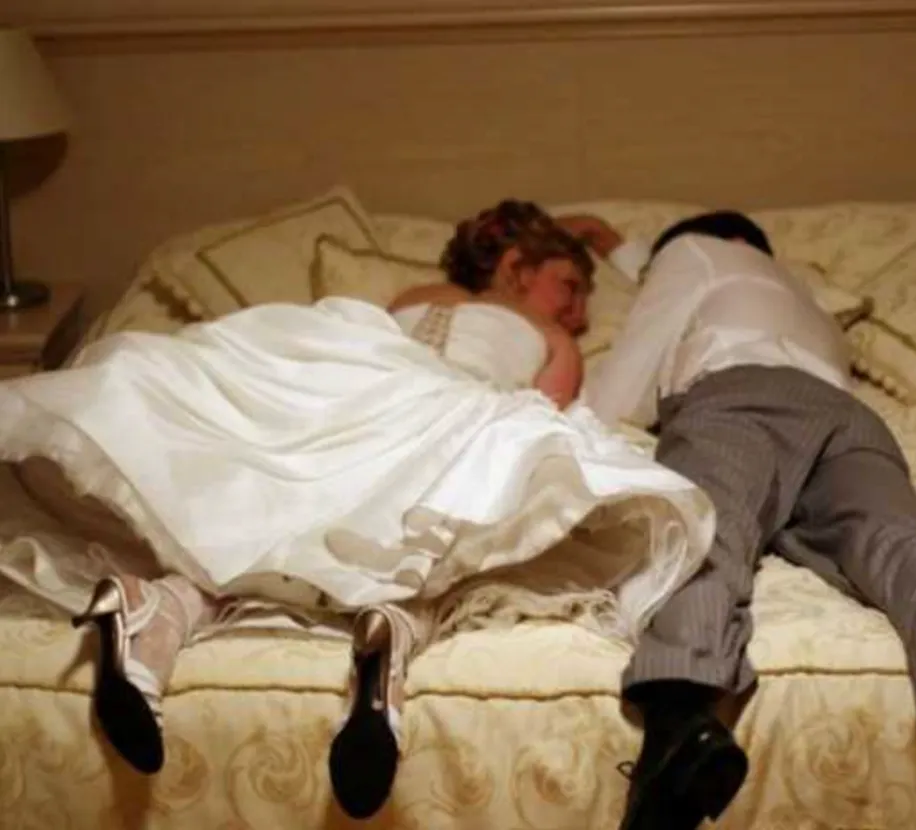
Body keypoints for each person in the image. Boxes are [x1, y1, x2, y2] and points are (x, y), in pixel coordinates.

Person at [0, 200, 714, 822]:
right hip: (430, 403)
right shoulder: (548, 336)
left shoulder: (414, 295)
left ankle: (155, 610)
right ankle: (392, 631)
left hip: (333, 394)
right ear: (517, 265)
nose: (579, 313)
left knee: (254, 516)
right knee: (480, 509)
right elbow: (550, 407)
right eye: (570, 287)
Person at [558, 210, 916, 830]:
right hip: (848, 417)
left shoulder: (696, 250)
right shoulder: (810, 303)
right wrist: (617, 246)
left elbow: (623, 386)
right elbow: (656, 272)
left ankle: (678, 721)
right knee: (898, 543)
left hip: (738, 394)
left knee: (708, 535)